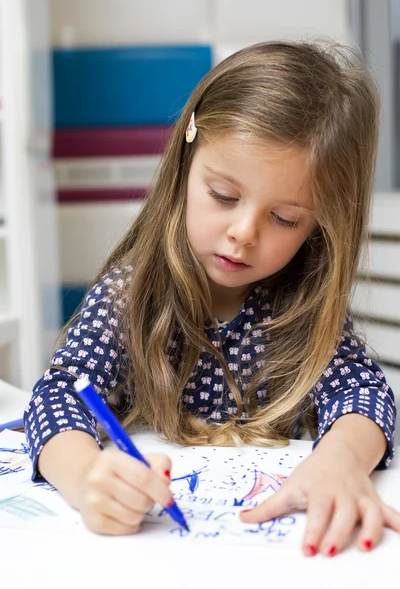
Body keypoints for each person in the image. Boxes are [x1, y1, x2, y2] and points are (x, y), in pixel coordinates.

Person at [24, 40, 400, 556]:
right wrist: (87, 476)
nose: (243, 233)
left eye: (285, 218)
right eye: (223, 196)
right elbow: (60, 393)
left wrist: (341, 460)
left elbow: (363, 392)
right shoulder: (129, 295)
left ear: (318, 227)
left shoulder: (301, 309)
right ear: (184, 167)